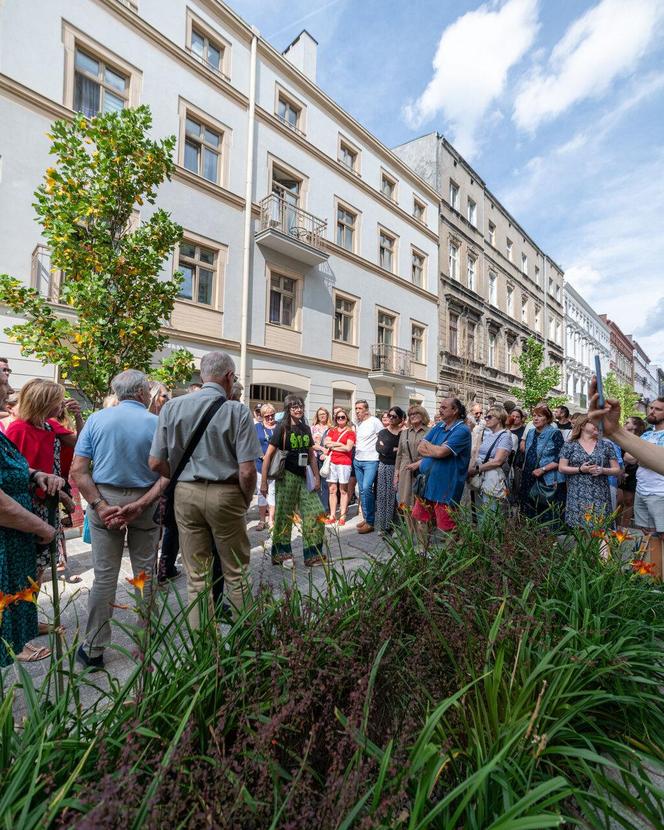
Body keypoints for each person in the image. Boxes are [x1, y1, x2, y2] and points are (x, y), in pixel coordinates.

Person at [150, 352, 260, 625]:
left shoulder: (172, 407)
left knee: (196, 576)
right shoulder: (237, 411)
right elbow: (247, 470)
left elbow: (155, 462)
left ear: (202, 376)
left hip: (185, 493)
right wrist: (245, 499)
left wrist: (177, 475)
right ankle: (242, 641)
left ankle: (203, 652)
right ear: (229, 377)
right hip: (227, 492)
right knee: (235, 571)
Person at [72, 370, 165, 669]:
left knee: (104, 576)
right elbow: (167, 474)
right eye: (149, 391)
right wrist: (140, 504)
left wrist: (99, 506)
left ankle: (95, 648)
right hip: (144, 502)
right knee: (145, 576)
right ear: (141, 393)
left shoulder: (97, 419)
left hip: (106, 499)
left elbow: (78, 471)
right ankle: (143, 645)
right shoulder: (156, 422)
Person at [0, 375, 63, 665]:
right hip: (23, 514)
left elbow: (25, 467)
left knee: (32, 572)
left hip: (39, 507)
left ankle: (27, 624)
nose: (10, 390)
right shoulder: (17, 428)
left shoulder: (49, 426)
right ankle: (15, 638)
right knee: (12, 583)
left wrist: (41, 478)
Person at [6, 380, 79, 581]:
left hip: (48, 504)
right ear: (44, 402)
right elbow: (16, 476)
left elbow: (81, 444)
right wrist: (62, 495)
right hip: (30, 507)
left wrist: (79, 416)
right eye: (57, 401)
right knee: (28, 568)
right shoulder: (18, 429)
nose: (61, 406)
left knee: (41, 565)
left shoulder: (48, 426)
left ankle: (32, 606)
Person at [260, 395, 325, 568]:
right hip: (286, 476)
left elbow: (311, 455)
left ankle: (313, 554)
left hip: (305, 476)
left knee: (316, 512)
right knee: (284, 516)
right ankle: (282, 555)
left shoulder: (305, 428)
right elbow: (268, 457)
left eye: (300, 406)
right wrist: (264, 482)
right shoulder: (282, 428)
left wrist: (317, 477)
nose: (298, 409)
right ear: (288, 409)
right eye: (294, 407)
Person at [409, 398, 471, 540]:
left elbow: (441, 452)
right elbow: (420, 447)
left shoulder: (462, 430)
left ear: (455, 410)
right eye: (440, 407)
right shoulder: (439, 426)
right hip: (427, 484)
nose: (440, 410)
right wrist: (436, 450)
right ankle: (423, 553)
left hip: (446, 487)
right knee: (421, 518)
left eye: (444, 407)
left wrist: (433, 449)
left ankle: (449, 559)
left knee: (448, 526)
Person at [558, 416, 619, 527]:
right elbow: (561, 468)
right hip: (577, 494)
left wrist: (603, 470)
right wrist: (580, 469)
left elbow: (617, 470)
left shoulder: (606, 445)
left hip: (600, 494)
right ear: (582, 425)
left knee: (600, 529)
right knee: (580, 530)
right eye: (593, 423)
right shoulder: (570, 445)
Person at [519, 404, 564, 521]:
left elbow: (561, 458)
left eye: (539, 416)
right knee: (528, 510)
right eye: (534, 415)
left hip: (546, 478)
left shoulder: (555, 433)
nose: (535, 418)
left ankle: (546, 538)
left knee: (546, 511)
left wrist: (543, 469)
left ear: (548, 418)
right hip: (529, 476)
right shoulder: (530, 432)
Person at [468, 406, 513, 515]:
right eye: (486, 417)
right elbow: (477, 453)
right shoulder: (489, 435)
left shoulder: (505, 436)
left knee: (490, 514)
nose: (486, 419)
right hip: (481, 477)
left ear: (499, 419)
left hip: (492, 478)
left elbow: (498, 461)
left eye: (489, 417)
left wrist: (477, 469)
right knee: (480, 513)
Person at [633, 397, 664, 535]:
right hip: (641, 490)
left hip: (660, 493)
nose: (652, 411)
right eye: (651, 407)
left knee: (661, 534)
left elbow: (660, 461)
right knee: (646, 534)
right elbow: (628, 456)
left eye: (658, 409)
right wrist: (647, 459)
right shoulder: (646, 434)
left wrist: (641, 458)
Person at [353, 400, 383, 535]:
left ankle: (371, 521)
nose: (357, 411)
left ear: (366, 409)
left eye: (360, 408)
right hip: (358, 460)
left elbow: (382, 438)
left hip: (371, 461)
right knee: (361, 491)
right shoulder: (359, 423)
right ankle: (366, 518)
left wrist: (380, 452)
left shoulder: (375, 421)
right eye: (356, 408)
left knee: (366, 488)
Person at [373, 407, 404, 533]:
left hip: (396, 468)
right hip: (382, 467)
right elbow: (380, 449)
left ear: (401, 419)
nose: (391, 418)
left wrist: (387, 449)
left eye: (394, 416)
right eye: (389, 415)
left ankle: (395, 527)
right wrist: (393, 449)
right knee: (381, 497)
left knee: (394, 498)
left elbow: (401, 452)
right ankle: (383, 526)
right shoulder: (382, 432)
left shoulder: (403, 434)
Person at [323, 408, 355, 526]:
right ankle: (332, 515)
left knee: (343, 490)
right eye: (338, 417)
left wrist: (334, 445)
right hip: (332, 462)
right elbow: (326, 443)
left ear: (347, 418)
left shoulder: (350, 432)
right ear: (335, 419)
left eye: (343, 417)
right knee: (332, 490)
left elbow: (348, 448)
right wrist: (341, 444)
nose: (340, 419)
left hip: (344, 463)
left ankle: (342, 515)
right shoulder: (332, 430)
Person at [394, 405, 430, 508]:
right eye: (410, 414)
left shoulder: (430, 431)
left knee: (421, 502)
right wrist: (396, 475)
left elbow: (433, 453)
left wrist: (420, 463)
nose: (412, 416)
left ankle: (421, 524)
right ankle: (409, 524)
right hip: (405, 470)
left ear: (423, 415)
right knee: (405, 502)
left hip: (422, 470)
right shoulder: (404, 433)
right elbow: (399, 454)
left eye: (415, 413)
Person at [617, 416, 647, 526]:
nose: (625, 424)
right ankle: (614, 526)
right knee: (618, 500)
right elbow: (624, 457)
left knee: (629, 501)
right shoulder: (620, 439)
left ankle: (624, 528)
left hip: (634, 471)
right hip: (619, 471)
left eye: (627, 422)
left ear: (636, 426)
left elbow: (631, 459)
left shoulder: (642, 439)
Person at [255, 404, 276, 531]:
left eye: (272, 415)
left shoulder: (279, 426)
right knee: (262, 492)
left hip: (275, 465)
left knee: (273, 492)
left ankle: (271, 520)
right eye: (267, 416)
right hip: (260, 464)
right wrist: (261, 455)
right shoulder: (257, 427)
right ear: (262, 416)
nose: (270, 418)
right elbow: (251, 443)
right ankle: (262, 520)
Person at [311, 408, 332, 514]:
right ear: (317, 416)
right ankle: (317, 507)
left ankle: (325, 508)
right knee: (316, 482)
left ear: (327, 415)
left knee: (326, 484)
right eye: (320, 414)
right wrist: (321, 449)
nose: (322, 416)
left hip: (327, 459)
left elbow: (333, 443)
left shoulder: (331, 428)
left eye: (324, 414)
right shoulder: (313, 428)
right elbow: (311, 444)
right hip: (315, 458)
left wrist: (326, 452)